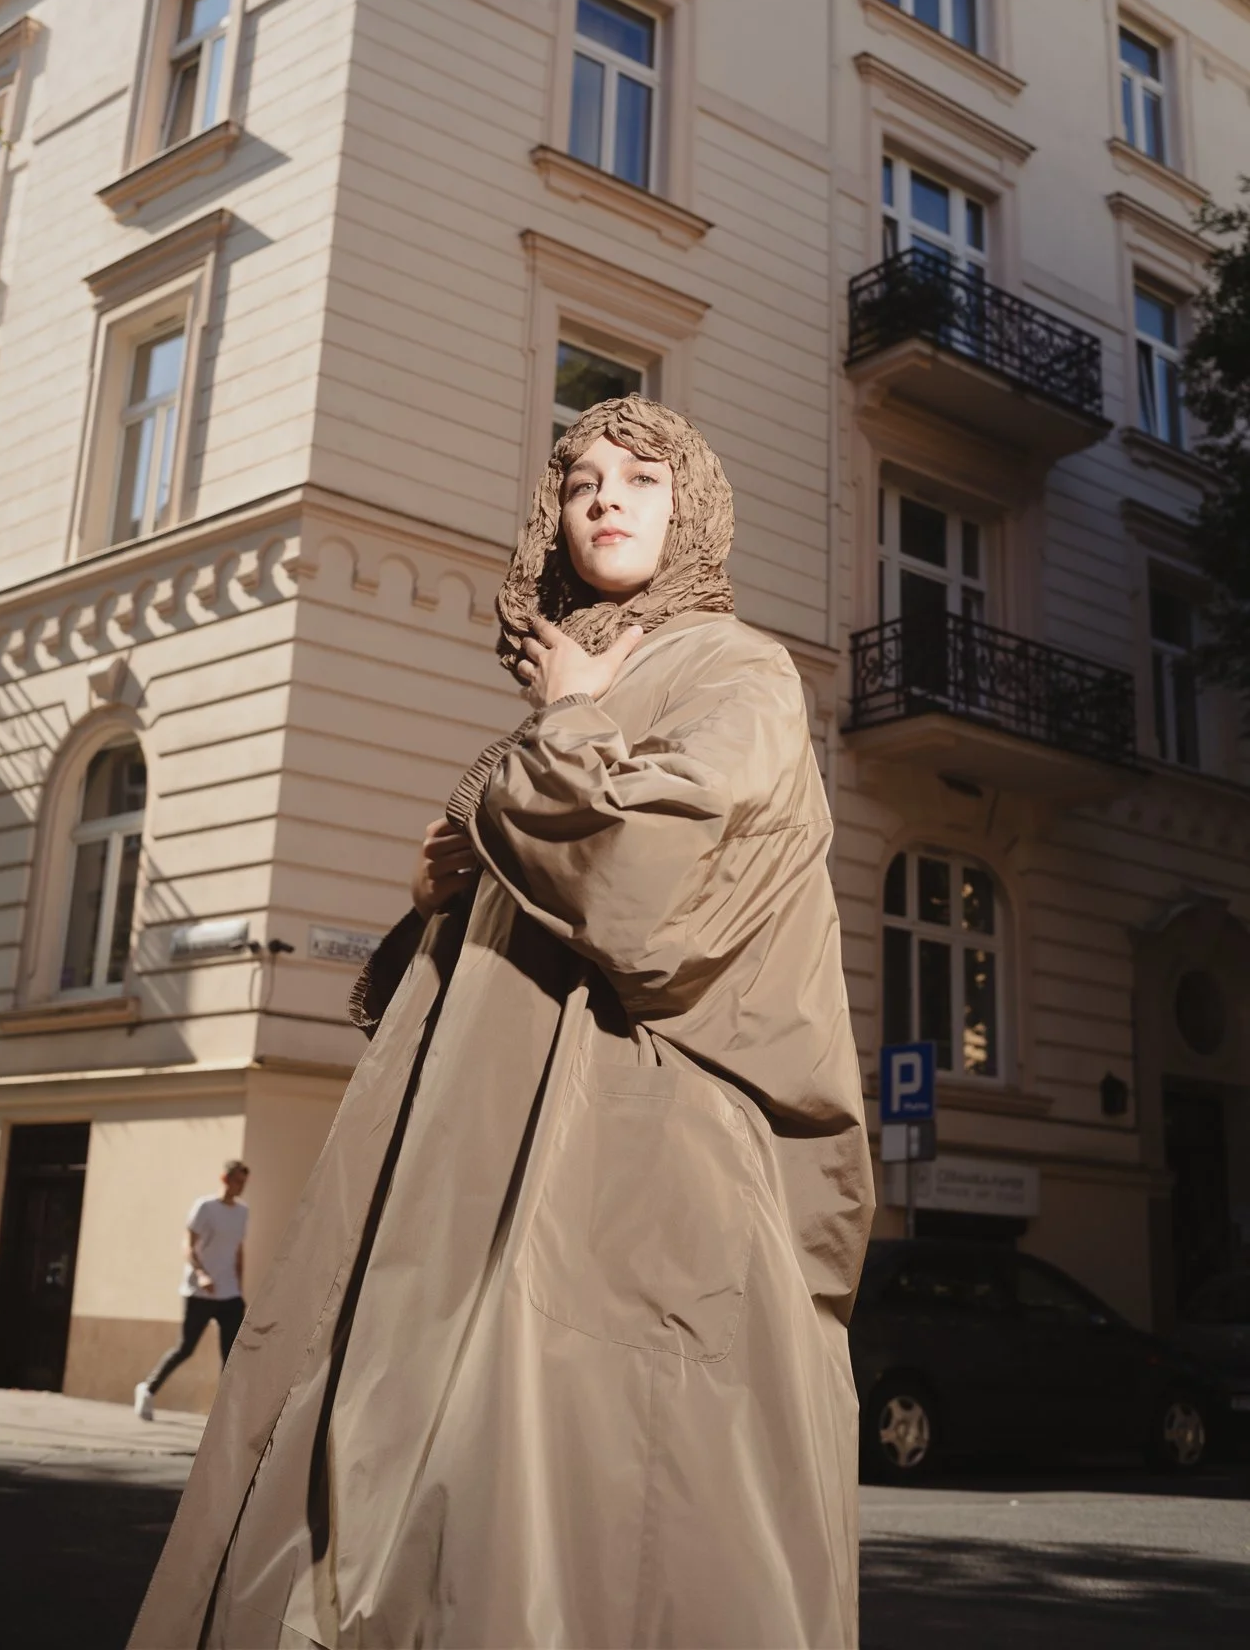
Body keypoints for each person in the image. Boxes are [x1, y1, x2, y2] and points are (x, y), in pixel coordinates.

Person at [131, 397, 874, 1650]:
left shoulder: (736, 668)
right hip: (464, 1157)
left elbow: (656, 877)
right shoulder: (575, 684)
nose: (606, 496)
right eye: (579, 477)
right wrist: (441, 897)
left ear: (691, 507)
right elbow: (512, 923)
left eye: (644, 476)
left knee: (577, 1485)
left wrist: (570, 717)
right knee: (395, 1465)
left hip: (627, 1153)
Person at [134, 1160, 249, 1421]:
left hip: (230, 1293)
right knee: (185, 1348)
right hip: (200, 1292)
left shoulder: (243, 1212)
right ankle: (148, 1388)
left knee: (232, 1354)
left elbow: (238, 1251)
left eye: (244, 1182)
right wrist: (201, 1273)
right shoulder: (205, 1207)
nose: (240, 1187)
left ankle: (223, 1415)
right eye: (236, 1181)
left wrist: (240, 1289)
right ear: (224, 1178)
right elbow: (188, 1243)